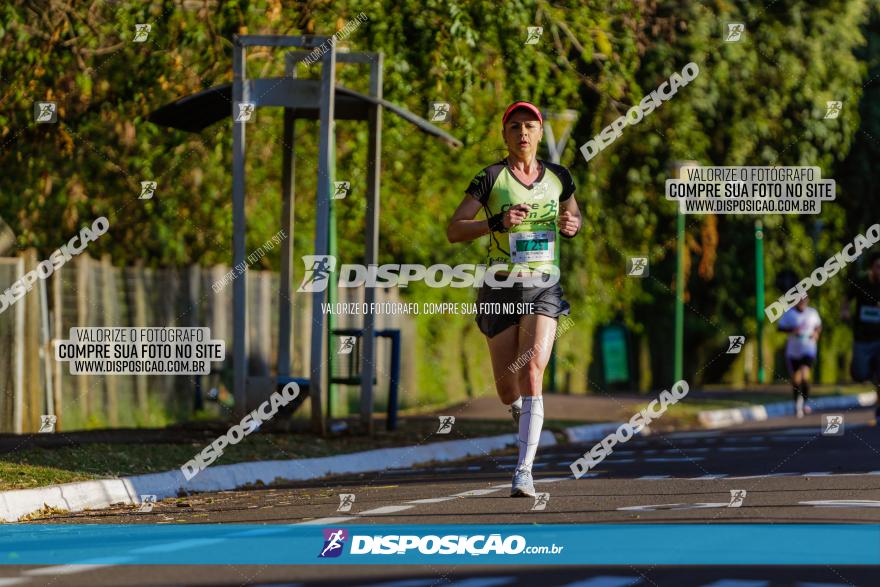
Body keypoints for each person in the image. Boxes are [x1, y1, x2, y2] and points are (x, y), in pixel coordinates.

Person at [446, 101, 582, 497]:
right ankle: (522, 416)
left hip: (544, 285)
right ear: (505, 135)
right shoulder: (490, 178)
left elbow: (574, 217)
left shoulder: (559, 177)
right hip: (499, 287)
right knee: (508, 390)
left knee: (532, 372)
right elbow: (454, 230)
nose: (523, 133)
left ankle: (524, 470)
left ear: (540, 133)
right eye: (515, 127)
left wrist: (572, 225)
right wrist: (496, 222)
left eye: (530, 126)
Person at [842, 251, 880, 419]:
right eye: (878, 267)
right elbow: (846, 298)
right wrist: (844, 311)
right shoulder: (861, 282)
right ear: (871, 268)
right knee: (860, 374)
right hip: (862, 337)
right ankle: (863, 368)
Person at [777, 294, 821, 418]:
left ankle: (805, 403)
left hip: (809, 349)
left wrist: (816, 333)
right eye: (799, 300)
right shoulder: (789, 314)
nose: (802, 302)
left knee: (805, 375)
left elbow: (818, 326)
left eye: (804, 300)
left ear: (808, 300)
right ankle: (797, 404)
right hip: (793, 351)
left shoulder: (812, 313)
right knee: (796, 380)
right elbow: (780, 328)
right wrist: (792, 330)